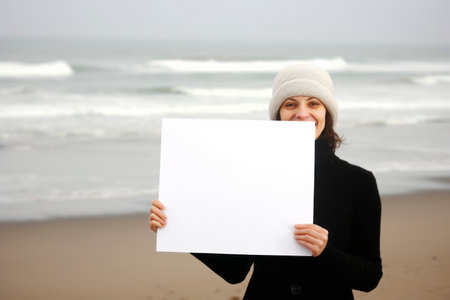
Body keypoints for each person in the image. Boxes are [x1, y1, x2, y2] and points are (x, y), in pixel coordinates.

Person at [149, 64, 382, 299]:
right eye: (290, 104)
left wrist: (325, 252)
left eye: (314, 103)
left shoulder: (358, 182)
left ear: (327, 113)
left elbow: (370, 277)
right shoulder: (252, 176)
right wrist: (177, 225)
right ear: (278, 114)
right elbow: (234, 271)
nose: (302, 114)